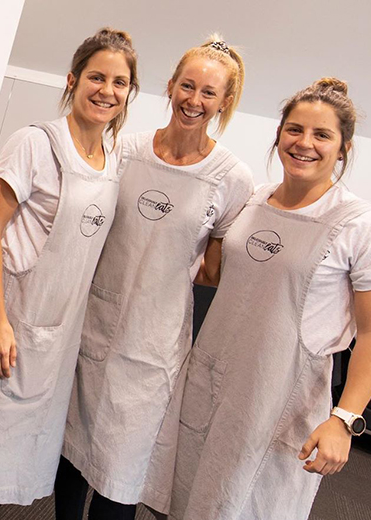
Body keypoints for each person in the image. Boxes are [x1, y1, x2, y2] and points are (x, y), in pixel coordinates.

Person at [0, 28, 139, 520]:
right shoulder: (35, 143)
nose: (107, 90)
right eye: (97, 77)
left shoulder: (112, 161)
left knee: (3, 468)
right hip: (7, 325)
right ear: (73, 80)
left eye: (120, 82)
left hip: (52, 343)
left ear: (130, 93)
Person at [56, 36, 253, 520]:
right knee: (69, 457)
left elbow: (213, 269)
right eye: (187, 86)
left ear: (224, 102)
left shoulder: (232, 177)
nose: (194, 100)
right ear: (170, 86)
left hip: (154, 345)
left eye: (209, 93)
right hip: (91, 324)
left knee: (121, 473)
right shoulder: (125, 150)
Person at [170, 78, 371, 520]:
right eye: (295, 130)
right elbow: (215, 273)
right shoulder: (253, 200)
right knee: (183, 499)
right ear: (279, 134)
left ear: (343, 148)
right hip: (212, 379)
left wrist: (344, 421)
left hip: (282, 399)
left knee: (245, 507)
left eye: (322, 135)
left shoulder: (359, 224)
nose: (305, 144)